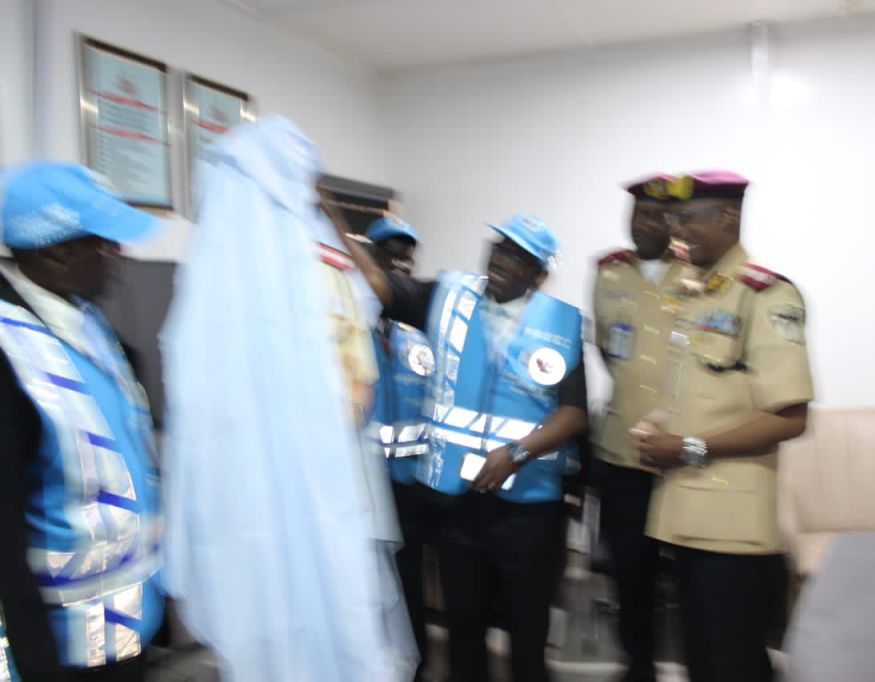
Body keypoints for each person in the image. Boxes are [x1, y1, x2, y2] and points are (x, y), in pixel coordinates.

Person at [160, 116, 415, 682]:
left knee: (296, 616)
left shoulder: (283, 281)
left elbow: (362, 355)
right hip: (282, 494)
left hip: (294, 491)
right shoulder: (245, 292)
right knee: (301, 614)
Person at [322, 205, 589, 682]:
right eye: (499, 248)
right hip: (457, 504)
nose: (501, 260)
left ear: (539, 274)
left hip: (528, 509)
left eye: (518, 257)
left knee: (527, 630)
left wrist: (517, 453)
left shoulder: (561, 323)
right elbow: (382, 286)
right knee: (465, 627)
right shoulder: (448, 298)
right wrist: (337, 223)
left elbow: (573, 412)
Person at [627, 170, 813, 682]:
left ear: (729, 216)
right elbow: (704, 394)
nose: (676, 231)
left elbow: (791, 418)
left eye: (688, 219)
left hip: (733, 530)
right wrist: (657, 426)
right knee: (701, 662)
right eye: (672, 220)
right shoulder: (696, 293)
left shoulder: (765, 295)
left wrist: (686, 447)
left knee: (734, 665)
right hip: (684, 514)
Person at [0, 162, 164, 681]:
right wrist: (34, 664)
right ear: (57, 252)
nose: (119, 255)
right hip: (59, 650)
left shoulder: (88, 322)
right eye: (105, 243)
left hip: (126, 625)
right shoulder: (9, 353)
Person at [591, 172, 698, 681]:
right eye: (638, 214)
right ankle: (638, 668)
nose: (645, 224)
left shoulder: (699, 274)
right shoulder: (608, 273)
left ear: (675, 221)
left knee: (692, 578)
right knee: (630, 575)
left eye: (657, 215)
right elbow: (609, 351)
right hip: (623, 452)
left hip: (683, 457)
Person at [364, 215, 439, 681]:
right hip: (365, 485)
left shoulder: (421, 334)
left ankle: (417, 665)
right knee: (368, 585)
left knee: (411, 579)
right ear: (370, 259)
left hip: (414, 484)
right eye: (389, 255)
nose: (401, 264)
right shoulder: (348, 329)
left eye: (407, 257)